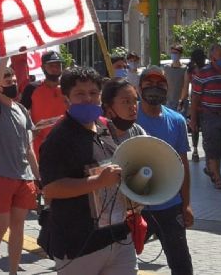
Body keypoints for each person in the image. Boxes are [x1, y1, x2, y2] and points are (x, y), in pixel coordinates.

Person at [38, 66, 137, 275]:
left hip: (118, 237)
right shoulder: (58, 139)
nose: (88, 99)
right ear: (66, 99)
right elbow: (51, 190)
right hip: (80, 245)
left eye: (93, 93)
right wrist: (97, 183)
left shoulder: (106, 128)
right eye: (80, 94)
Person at [0, 62, 39, 275]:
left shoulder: (21, 110)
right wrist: (5, 58)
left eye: (13, 81)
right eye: (7, 81)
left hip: (24, 177)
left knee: (18, 226)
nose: (12, 85)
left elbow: (28, 148)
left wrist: (38, 177)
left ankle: (13, 271)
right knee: (1, 225)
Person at [135, 66, 194, 275]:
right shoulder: (129, 116)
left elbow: (183, 165)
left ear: (167, 88)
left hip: (170, 206)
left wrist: (186, 205)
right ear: (139, 87)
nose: (154, 88)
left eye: (160, 84)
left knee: (182, 265)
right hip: (135, 207)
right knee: (121, 261)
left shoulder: (177, 120)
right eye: (149, 84)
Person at [191, 44, 221, 190]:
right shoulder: (202, 73)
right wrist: (193, 119)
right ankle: (217, 177)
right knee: (213, 147)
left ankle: (210, 167)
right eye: (220, 56)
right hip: (209, 116)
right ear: (212, 58)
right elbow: (195, 98)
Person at [20, 50, 66, 160]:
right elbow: (21, 115)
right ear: (43, 68)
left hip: (66, 143)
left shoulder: (69, 88)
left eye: (58, 65)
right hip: (40, 146)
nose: (55, 68)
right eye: (51, 65)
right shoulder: (32, 88)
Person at [178, 48, 207, 162]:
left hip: (195, 102)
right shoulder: (207, 70)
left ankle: (195, 150)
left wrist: (181, 101)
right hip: (207, 103)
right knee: (206, 129)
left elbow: (185, 88)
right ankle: (207, 151)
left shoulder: (190, 71)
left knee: (194, 127)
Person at [101, 78, 146, 143]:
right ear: (108, 107)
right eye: (126, 102)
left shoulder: (137, 132)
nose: (133, 107)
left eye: (135, 101)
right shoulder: (99, 138)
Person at [164, 44, 187, 110]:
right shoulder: (166, 68)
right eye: (172, 53)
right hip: (168, 102)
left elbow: (185, 87)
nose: (173, 55)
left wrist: (181, 101)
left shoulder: (185, 69)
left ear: (180, 55)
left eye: (175, 53)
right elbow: (164, 84)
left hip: (180, 103)